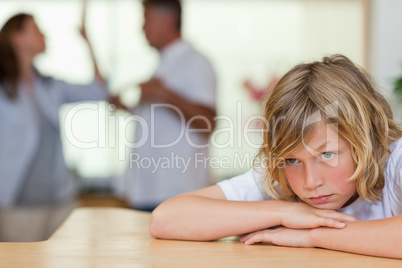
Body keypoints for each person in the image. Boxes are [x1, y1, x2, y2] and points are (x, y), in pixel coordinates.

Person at [150, 55, 402, 259]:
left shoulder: (396, 157)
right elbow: (166, 219)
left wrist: (313, 236)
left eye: (327, 154)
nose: (310, 181)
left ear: (364, 139)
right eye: (292, 160)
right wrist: (284, 211)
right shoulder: (277, 176)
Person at [0, 13, 108, 241]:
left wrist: (88, 41)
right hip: (17, 208)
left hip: (60, 202)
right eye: (35, 29)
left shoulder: (50, 87)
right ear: (16, 39)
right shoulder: (3, 91)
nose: (43, 34)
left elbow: (99, 91)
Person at [114, 0, 216, 211]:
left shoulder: (196, 62)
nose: (142, 28)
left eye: (146, 19)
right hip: (147, 191)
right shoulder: (164, 65)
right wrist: (129, 108)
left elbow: (207, 122)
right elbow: (160, 126)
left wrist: (165, 94)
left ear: (168, 20)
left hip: (177, 193)